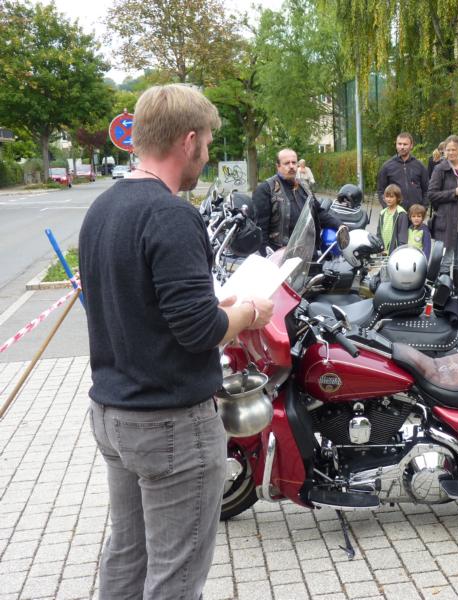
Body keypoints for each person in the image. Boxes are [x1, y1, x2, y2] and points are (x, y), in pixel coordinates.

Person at [79, 84, 275, 600]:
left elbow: (136, 305)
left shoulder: (102, 208)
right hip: (169, 423)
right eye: (206, 143)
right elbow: (198, 331)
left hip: (114, 412)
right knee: (176, 575)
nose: (206, 155)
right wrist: (250, 313)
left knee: (128, 554)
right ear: (188, 141)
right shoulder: (171, 214)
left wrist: (214, 306)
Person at [252, 148, 341, 253]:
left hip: (308, 251)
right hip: (281, 253)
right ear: (278, 166)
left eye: (294, 162)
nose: (291, 166)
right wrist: (269, 256)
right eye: (286, 163)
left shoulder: (304, 186)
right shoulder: (266, 189)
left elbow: (318, 212)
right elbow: (260, 230)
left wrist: (340, 225)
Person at [427, 134, 458, 296]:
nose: (450, 153)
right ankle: (444, 297)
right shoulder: (440, 169)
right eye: (447, 150)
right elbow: (432, 194)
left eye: (454, 149)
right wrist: (453, 192)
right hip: (447, 222)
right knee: (446, 261)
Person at [376, 132, 429, 210]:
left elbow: (427, 190)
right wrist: (388, 208)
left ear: (411, 145)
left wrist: (424, 208)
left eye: (405, 144)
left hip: (415, 213)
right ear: (396, 145)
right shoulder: (387, 166)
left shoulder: (420, 166)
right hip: (395, 212)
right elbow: (381, 191)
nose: (402, 147)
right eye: (399, 144)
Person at [377, 183, 409, 254]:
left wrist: (400, 251)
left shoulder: (401, 213)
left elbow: (403, 236)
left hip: (395, 252)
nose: (388, 199)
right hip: (383, 251)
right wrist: (380, 248)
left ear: (398, 198)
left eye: (391, 197)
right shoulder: (382, 213)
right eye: (387, 196)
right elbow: (379, 233)